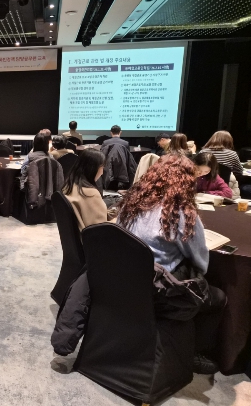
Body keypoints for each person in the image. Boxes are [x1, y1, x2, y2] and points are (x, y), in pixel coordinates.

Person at [117, 154, 227, 374]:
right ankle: (192, 353)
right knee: (218, 298)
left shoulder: (131, 203)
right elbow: (200, 262)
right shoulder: (180, 212)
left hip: (123, 281)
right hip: (158, 292)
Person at [62, 148, 107, 230]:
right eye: (102, 167)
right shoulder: (91, 194)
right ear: (93, 168)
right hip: (93, 236)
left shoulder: (69, 185)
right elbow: (100, 229)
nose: (102, 172)